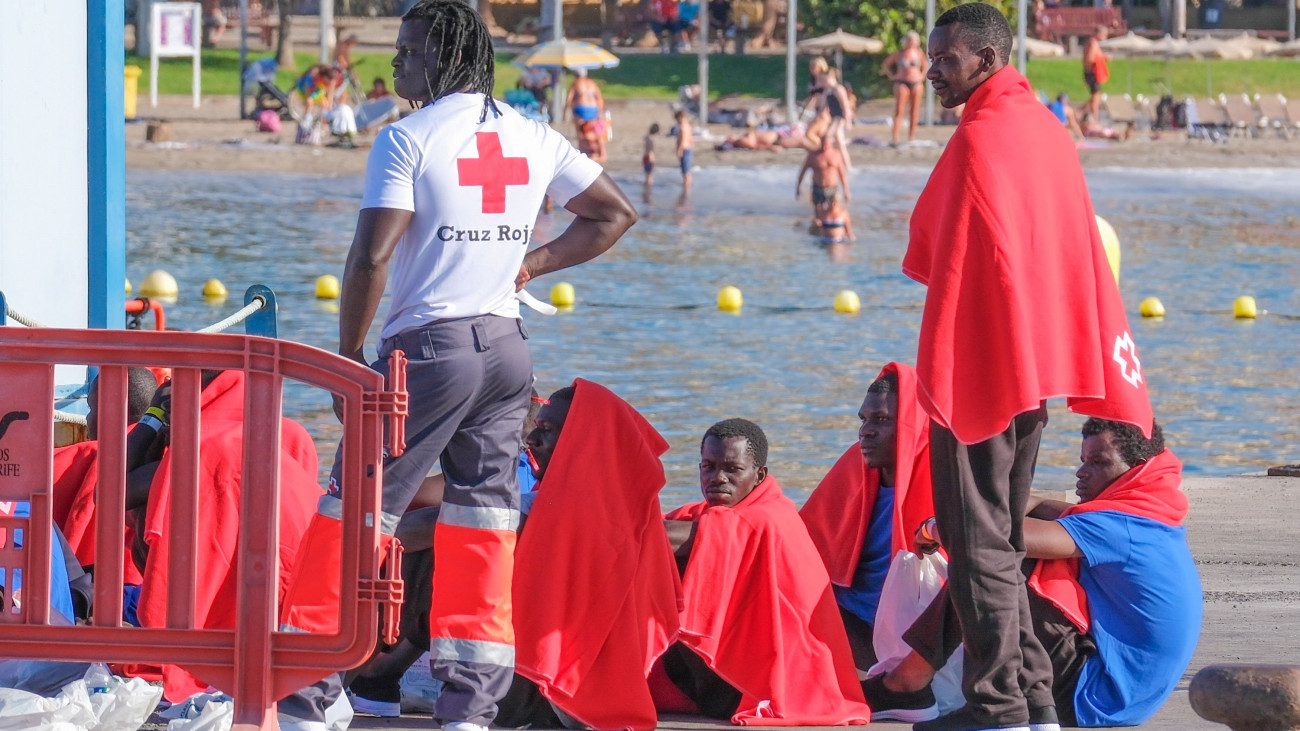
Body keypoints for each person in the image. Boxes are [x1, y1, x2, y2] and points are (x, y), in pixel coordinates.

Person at [275, 2, 638, 729]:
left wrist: (348, 361)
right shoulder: (533, 134)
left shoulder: (406, 137)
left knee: (354, 511)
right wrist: (531, 263)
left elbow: (370, 257)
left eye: (409, 51)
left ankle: (309, 693)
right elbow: (613, 213)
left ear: (444, 58)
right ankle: (470, 707)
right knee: (483, 524)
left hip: (429, 352)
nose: (398, 64)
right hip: (507, 352)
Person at [905, 4, 1153, 730]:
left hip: (983, 368)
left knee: (973, 536)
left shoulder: (983, 136)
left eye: (944, 59)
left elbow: (938, 248)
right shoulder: (1045, 127)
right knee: (1004, 532)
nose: (932, 72)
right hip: (1031, 368)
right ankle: (1035, 699)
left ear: (984, 59)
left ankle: (1000, 706)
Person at [865, 419, 1201, 729]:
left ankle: (908, 683)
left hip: (1094, 696)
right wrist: (995, 507)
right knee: (1000, 554)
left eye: (1098, 462)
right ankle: (918, 683)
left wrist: (934, 528)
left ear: (1135, 471)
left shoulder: (1120, 526)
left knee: (990, 562)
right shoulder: (1146, 516)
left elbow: (990, 540)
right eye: (1083, 459)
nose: (1081, 473)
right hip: (1118, 694)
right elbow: (1039, 506)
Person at [658, 419, 871, 725]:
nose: (718, 478)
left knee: (673, 556)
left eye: (732, 469)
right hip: (743, 668)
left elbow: (665, 534)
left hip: (781, 679)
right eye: (708, 467)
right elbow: (670, 528)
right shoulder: (712, 515)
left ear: (759, 476)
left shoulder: (770, 518)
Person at [130, 370, 323, 702]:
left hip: (221, 638)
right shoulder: (290, 434)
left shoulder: (199, 448)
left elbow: (111, 491)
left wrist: (153, 417)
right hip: (314, 628)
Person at [503, 380, 682, 730]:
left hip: (546, 689)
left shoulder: (562, 508)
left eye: (548, 430)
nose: (532, 441)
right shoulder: (630, 505)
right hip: (602, 690)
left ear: (582, 440)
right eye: (536, 428)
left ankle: (382, 677)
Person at [800, 364, 936, 687]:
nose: (866, 431)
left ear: (911, 425)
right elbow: (799, 543)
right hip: (844, 616)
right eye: (864, 420)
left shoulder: (940, 474)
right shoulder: (855, 466)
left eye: (883, 420)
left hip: (902, 636)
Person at [882, 31, 929, 146]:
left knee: (914, 110)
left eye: (914, 40)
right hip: (902, 82)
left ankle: (911, 137)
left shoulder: (919, 53)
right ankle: (895, 137)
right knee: (899, 109)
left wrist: (922, 76)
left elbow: (925, 65)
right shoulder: (900, 53)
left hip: (916, 82)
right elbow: (886, 64)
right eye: (910, 40)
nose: (912, 42)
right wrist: (892, 76)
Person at [795, 137, 851, 221]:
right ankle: (818, 231)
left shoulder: (836, 155)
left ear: (831, 144)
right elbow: (802, 172)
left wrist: (846, 190)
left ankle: (835, 230)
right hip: (818, 187)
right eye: (823, 145)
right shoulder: (813, 156)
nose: (824, 148)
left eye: (827, 146)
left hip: (833, 188)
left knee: (835, 212)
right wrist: (798, 188)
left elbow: (842, 174)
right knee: (818, 216)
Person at [565, 69, 605, 138]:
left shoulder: (576, 83)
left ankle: (580, 139)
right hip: (593, 108)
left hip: (581, 108)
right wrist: (600, 111)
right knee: (592, 129)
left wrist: (565, 111)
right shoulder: (592, 83)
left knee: (579, 128)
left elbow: (569, 99)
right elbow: (599, 98)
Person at [1083, 26, 1109, 123]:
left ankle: (1082, 113)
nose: (1105, 37)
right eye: (1104, 35)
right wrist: (1104, 57)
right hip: (1093, 72)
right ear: (1099, 33)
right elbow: (1090, 59)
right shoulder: (1093, 43)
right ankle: (1095, 117)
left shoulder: (1089, 42)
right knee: (1095, 97)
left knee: (1094, 96)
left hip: (1089, 72)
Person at [674, 109, 693, 192]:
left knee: (685, 171)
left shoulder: (683, 127)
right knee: (686, 170)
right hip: (688, 148)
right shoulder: (688, 126)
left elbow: (683, 140)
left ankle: (686, 189)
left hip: (685, 149)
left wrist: (679, 150)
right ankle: (686, 187)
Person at [643, 122, 659, 187]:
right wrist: (652, 159)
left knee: (647, 174)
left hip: (645, 157)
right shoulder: (651, 140)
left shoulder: (647, 137)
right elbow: (650, 150)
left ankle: (646, 186)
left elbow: (644, 137)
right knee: (650, 175)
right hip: (649, 157)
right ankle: (648, 188)